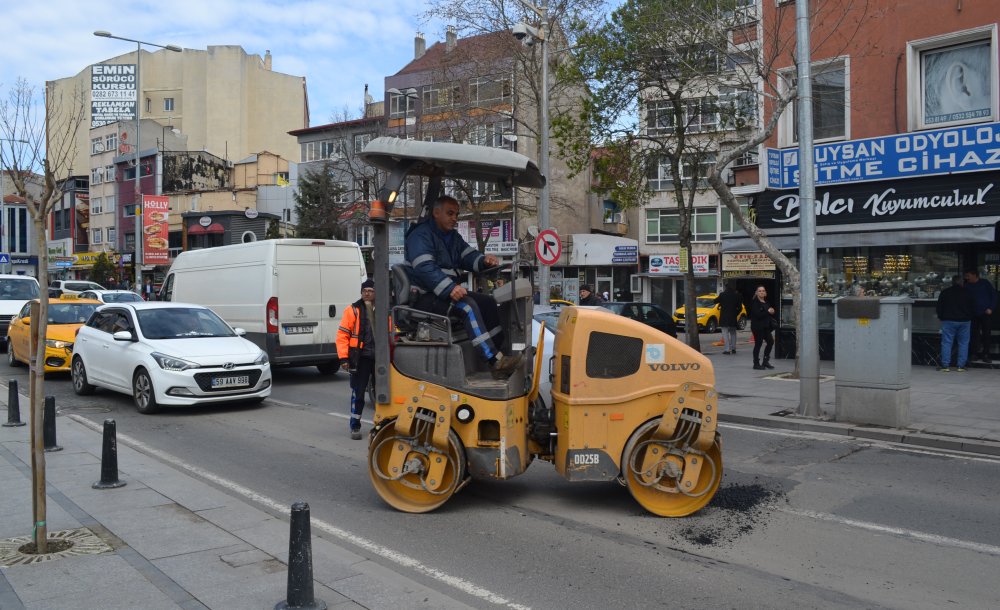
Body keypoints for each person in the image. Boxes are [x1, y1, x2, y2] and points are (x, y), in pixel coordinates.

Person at [405, 195, 521, 376]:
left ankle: (501, 353)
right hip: (425, 296)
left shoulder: (452, 237)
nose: (454, 218)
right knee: (467, 307)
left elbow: (467, 256)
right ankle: (494, 360)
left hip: (443, 293)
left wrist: (484, 261)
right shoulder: (420, 235)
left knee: (488, 303)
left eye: (457, 214)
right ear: (436, 213)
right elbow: (424, 268)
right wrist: (450, 288)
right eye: (450, 213)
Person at [337, 279, 378, 439]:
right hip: (361, 358)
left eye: (370, 290)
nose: (367, 293)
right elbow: (342, 335)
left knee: (382, 395)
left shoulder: (383, 310)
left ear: (375, 293)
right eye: (364, 290)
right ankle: (355, 426)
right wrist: (343, 358)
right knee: (358, 393)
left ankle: (379, 427)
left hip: (380, 358)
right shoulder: (353, 310)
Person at [936, 275, 975, 372]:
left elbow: (939, 307)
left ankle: (945, 366)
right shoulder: (968, 292)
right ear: (961, 282)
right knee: (963, 343)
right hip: (965, 321)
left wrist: (942, 317)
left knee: (947, 343)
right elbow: (973, 307)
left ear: (952, 282)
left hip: (948, 321)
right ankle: (961, 366)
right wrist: (969, 317)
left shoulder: (945, 292)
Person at [963, 268, 996, 363]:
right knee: (973, 335)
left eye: (968, 275)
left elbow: (994, 296)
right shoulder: (967, 285)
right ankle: (974, 354)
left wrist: (991, 308)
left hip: (986, 313)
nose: (966, 278)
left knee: (986, 334)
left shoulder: (985, 283)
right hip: (972, 314)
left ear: (974, 275)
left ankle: (986, 354)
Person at [749, 285, 776, 370]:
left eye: (763, 291)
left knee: (770, 342)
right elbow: (758, 315)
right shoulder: (755, 302)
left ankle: (765, 361)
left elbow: (768, 313)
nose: (762, 292)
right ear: (756, 293)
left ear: (765, 293)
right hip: (757, 327)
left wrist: (771, 311)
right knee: (758, 344)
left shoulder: (766, 302)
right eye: (760, 291)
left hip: (766, 326)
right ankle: (756, 363)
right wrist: (767, 312)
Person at [714, 283, 743, 355]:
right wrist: (735, 313)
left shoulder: (722, 295)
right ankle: (733, 349)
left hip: (724, 318)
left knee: (725, 333)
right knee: (733, 333)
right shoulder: (737, 295)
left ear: (726, 288)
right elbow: (740, 308)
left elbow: (715, 301)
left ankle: (727, 350)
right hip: (733, 318)